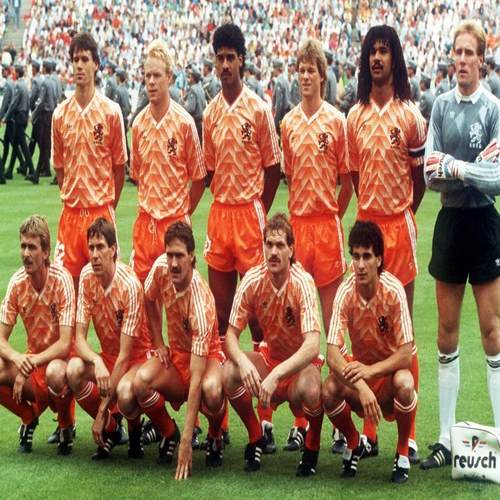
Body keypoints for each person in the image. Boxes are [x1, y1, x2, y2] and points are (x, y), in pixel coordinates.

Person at [422, 19, 500, 470]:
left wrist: (456, 167)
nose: (463, 60)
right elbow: (429, 174)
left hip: (484, 222)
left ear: (481, 60)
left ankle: (499, 437)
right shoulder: (440, 107)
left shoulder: (493, 109)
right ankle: (445, 438)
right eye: (458, 52)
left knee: (493, 334)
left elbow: (497, 178)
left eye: (470, 52)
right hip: (451, 222)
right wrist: (470, 168)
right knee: (445, 334)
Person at [347, 24, 426, 462]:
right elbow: (355, 176)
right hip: (368, 225)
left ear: (395, 58)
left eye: (384, 51)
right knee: (363, 328)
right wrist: (371, 214)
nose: (377, 58)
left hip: (399, 225)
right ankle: (370, 427)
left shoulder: (410, 114)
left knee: (403, 329)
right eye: (371, 52)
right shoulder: (354, 116)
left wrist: (401, 212)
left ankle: (408, 434)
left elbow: (419, 179)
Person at [281, 38, 352, 450]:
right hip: (298, 228)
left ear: (323, 76)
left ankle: (342, 419)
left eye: (311, 70)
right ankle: (301, 418)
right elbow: (290, 176)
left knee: (333, 325)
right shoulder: (288, 123)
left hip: (326, 227)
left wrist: (332, 217)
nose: (305, 76)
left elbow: (346, 181)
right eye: (301, 70)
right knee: (296, 326)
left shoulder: (336, 121)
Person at [203, 22, 281, 362]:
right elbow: (208, 169)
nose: (225, 65)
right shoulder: (210, 113)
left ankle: (264, 386)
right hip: (221, 214)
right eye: (219, 58)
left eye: (230, 58)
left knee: (258, 313)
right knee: (221, 313)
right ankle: (225, 390)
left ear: (242, 60)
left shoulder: (258, 109)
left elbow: (273, 167)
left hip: (250, 214)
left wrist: (258, 207)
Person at [223, 213, 323, 476]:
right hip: (270, 361)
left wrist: (278, 374)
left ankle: (312, 444)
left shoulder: (302, 282)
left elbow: (313, 345)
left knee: (312, 389)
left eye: (280, 245)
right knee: (230, 372)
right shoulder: (252, 280)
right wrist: (243, 362)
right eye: (269, 244)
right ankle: (255, 436)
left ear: (291, 249)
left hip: (299, 368)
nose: (274, 252)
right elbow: (230, 335)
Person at [322, 220, 416, 483]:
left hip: (386, 380)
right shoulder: (345, 291)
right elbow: (332, 354)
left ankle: (402, 451)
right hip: (359, 380)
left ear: (379, 260)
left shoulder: (394, 290)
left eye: (367, 256)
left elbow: (406, 354)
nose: (360, 265)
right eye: (355, 256)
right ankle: (354, 443)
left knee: (406, 383)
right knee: (328, 389)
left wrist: (370, 371)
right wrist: (362, 385)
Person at [131, 221, 226, 478]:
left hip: (206, 358)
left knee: (211, 390)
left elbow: (196, 377)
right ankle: (168, 432)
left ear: (192, 257)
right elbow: (148, 297)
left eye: (180, 256)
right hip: (176, 354)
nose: (173, 263)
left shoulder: (200, 300)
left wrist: (188, 440)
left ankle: (214, 435)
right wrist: (158, 342)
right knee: (140, 382)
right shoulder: (160, 268)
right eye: (170, 255)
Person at [66, 217, 151, 460]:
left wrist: (102, 411)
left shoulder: (130, 285)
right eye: (91, 248)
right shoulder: (86, 277)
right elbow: (79, 338)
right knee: (73, 369)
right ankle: (113, 430)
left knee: (124, 391)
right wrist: (97, 361)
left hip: (136, 360)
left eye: (100, 247)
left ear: (113, 250)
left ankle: (138, 431)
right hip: (108, 358)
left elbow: (125, 355)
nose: (94, 255)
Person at [51, 32, 127, 291]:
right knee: (67, 292)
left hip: (100, 212)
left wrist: (107, 207)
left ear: (96, 64)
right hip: (70, 217)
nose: (79, 66)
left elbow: (119, 168)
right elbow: (59, 168)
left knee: (109, 292)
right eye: (75, 60)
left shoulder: (110, 112)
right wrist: (73, 196)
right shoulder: (60, 114)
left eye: (85, 59)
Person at [129, 38, 205, 285]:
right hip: (145, 226)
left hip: (175, 226)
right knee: (143, 297)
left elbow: (199, 178)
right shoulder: (138, 125)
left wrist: (182, 214)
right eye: (147, 76)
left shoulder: (184, 123)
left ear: (169, 78)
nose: (151, 82)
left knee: (178, 299)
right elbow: (137, 175)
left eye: (157, 75)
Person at [0, 215, 75, 455]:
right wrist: (17, 358)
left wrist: (29, 364)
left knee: (55, 372)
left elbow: (65, 344)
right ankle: (28, 416)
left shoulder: (61, 280)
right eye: (23, 246)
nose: (26, 254)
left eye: (32, 247)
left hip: (63, 366)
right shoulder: (17, 283)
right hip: (34, 365)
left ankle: (66, 424)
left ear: (46, 252)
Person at [4, 64, 36, 182]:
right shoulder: (25, 85)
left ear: (17, 73)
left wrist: (6, 117)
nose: (13, 74)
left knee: (23, 146)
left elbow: (13, 104)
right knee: (16, 144)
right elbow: (27, 102)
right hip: (23, 116)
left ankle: (32, 172)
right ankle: (10, 171)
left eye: (14, 72)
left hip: (18, 117)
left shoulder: (18, 85)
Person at [30, 59, 57, 180]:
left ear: (44, 68)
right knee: (45, 145)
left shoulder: (45, 83)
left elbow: (40, 102)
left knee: (44, 144)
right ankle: (39, 173)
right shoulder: (54, 82)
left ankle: (39, 173)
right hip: (52, 114)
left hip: (45, 116)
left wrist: (33, 115)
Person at [182, 66, 206, 142]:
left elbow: (190, 108)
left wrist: (182, 107)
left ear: (193, 78)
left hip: (196, 123)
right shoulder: (200, 87)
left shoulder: (193, 89)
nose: (188, 78)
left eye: (190, 76)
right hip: (201, 122)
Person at [271, 59, 290, 135]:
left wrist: (276, 122)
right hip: (286, 115)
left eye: (274, 68)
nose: (273, 71)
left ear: (277, 69)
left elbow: (279, 104)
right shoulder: (285, 80)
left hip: (281, 116)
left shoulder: (279, 82)